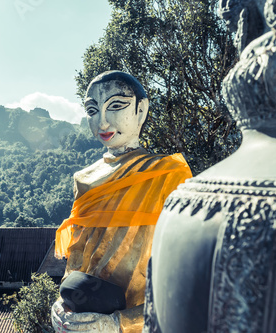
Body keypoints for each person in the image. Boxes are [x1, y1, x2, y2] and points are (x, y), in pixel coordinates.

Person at [51, 70, 192, 332]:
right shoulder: (84, 179)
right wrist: (61, 304)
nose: (103, 122)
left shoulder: (168, 174)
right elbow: (78, 260)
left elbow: (187, 280)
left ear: (141, 109)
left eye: (115, 106)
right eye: (92, 110)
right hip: (84, 317)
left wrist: (119, 324)